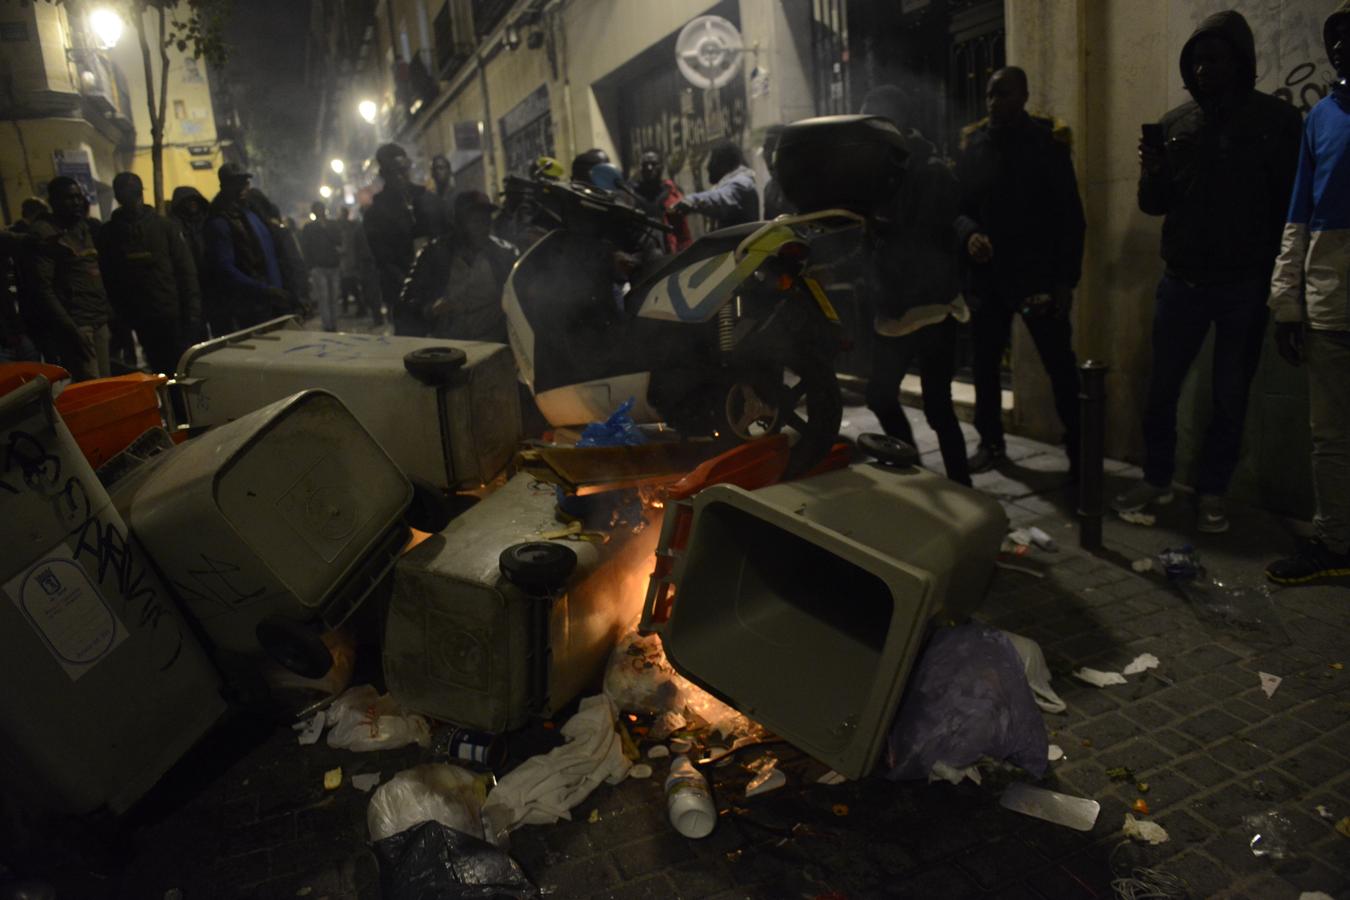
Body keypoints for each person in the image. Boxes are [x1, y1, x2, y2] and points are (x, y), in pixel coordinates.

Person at [1114, 10, 1303, 533]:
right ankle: (1157, 479)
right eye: (1196, 61)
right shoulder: (1177, 125)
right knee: (1161, 392)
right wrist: (1152, 173)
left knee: (1229, 399)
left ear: (1240, 63)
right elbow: (1155, 206)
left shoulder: (1277, 123)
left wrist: (1282, 284)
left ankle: (1213, 491)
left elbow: (1290, 208)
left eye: (1214, 60)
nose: (1203, 70)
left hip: (1243, 287)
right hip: (1182, 283)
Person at [956, 66, 1086, 476]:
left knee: (1060, 366)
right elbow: (959, 209)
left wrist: (1065, 281)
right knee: (985, 366)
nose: (994, 102)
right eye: (991, 94)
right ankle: (990, 441)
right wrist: (969, 234)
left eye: (1004, 94)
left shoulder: (1047, 143)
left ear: (1025, 96)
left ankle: (1080, 448)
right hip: (989, 278)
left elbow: (1071, 217)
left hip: (1037, 279)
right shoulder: (975, 144)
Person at [1264, 4, 1350, 584]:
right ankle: (1337, 541)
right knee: (1332, 436)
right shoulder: (1321, 117)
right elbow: (1299, 215)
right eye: (1335, 40)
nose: (1341, 48)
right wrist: (1286, 304)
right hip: (1332, 299)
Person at [859, 85, 971, 487]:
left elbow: (924, 232)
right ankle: (913, 470)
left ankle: (960, 487)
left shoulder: (929, 169)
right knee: (880, 395)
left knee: (938, 407)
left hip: (930, 307)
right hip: (898, 307)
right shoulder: (883, 170)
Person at [96, 172, 202, 374]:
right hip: (139, 319)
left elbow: (186, 273)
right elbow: (109, 278)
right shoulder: (110, 234)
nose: (130, 198)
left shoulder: (164, 227)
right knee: (158, 372)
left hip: (171, 316)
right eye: (124, 192)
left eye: (132, 191)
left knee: (179, 370)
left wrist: (192, 314)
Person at [22, 177, 113, 380]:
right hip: (77, 323)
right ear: (54, 201)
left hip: (97, 318)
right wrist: (71, 329)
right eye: (69, 198)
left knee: (107, 384)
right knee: (91, 387)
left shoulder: (83, 228)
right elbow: (43, 288)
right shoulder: (45, 233)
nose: (76, 202)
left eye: (78, 197)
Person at [397, 190, 518, 342]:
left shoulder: (505, 254)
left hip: (493, 345)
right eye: (475, 220)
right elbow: (408, 301)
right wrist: (430, 309)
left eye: (486, 219)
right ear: (459, 223)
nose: (483, 226)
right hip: (450, 347)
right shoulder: (434, 254)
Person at [204, 163, 294, 329]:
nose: (245, 187)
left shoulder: (251, 213)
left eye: (246, 182)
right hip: (252, 307)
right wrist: (262, 290)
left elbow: (273, 254)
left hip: (273, 301)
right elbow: (225, 269)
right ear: (226, 187)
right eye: (239, 182)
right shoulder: (220, 222)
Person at [364, 143, 434, 336]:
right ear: (385, 173)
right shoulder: (377, 212)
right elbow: (383, 258)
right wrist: (409, 285)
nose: (401, 176)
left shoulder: (424, 198)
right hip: (402, 291)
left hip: (433, 286)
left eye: (403, 170)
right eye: (394, 171)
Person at [675, 140, 759, 228]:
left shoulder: (742, 184)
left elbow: (721, 198)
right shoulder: (738, 183)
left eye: (712, 160)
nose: (708, 167)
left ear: (725, 163)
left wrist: (691, 200)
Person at [169, 185, 216, 337]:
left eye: (194, 201)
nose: (192, 205)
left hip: (211, 284)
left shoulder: (207, 222)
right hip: (189, 288)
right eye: (187, 202)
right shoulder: (174, 228)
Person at [632, 148, 691, 254]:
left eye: (654, 164)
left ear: (662, 167)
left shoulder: (672, 194)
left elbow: (683, 233)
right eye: (645, 164)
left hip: (667, 252)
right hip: (639, 254)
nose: (649, 168)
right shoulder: (631, 194)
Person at [301, 200, 342, 332]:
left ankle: (333, 323)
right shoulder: (309, 228)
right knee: (323, 297)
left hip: (333, 265)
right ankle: (327, 325)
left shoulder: (332, 225)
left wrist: (326, 228)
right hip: (318, 267)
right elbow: (306, 247)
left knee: (334, 297)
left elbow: (338, 240)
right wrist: (310, 266)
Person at [760, 125, 796, 219]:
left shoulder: (801, 185)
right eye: (765, 148)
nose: (768, 154)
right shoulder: (769, 189)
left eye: (773, 147)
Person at [428, 153, 457, 236]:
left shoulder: (457, 199)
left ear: (449, 171)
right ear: (432, 174)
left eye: (441, 168)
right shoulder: (429, 202)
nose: (438, 172)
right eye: (435, 169)